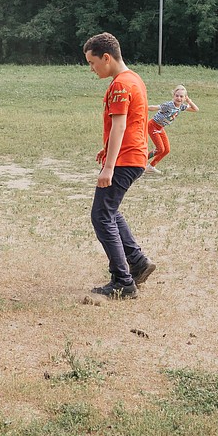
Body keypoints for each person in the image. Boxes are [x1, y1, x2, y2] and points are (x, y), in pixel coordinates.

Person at [83, 32, 157, 300]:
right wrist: (107, 152)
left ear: (106, 57)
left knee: (101, 216)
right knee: (110, 212)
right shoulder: (133, 79)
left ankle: (122, 281)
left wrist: (109, 167)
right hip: (134, 157)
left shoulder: (119, 86)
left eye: (92, 63)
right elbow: (134, 123)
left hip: (125, 161)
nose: (91, 69)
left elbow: (120, 124)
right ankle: (137, 262)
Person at [145, 85, 198, 173]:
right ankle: (139, 162)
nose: (179, 98)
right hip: (153, 125)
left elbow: (195, 109)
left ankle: (150, 167)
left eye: (181, 96)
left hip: (160, 128)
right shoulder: (168, 105)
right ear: (173, 96)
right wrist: (141, 107)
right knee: (160, 149)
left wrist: (189, 101)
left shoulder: (181, 107)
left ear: (185, 98)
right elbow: (154, 107)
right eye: (177, 95)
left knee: (166, 150)